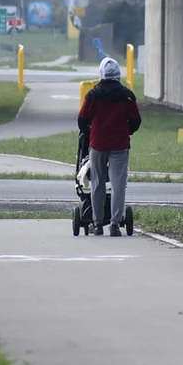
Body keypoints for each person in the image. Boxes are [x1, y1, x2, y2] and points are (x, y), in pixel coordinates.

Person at [77, 56, 142, 236]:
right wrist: (126, 131)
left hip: (98, 144)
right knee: (118, 183)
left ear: (102, 73)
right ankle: (114, 224)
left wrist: (91, 132)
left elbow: (82, 120)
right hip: (120, 145)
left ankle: (97, 224)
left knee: (97, 182)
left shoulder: (93, 94)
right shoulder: (127, 95)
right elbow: (136, 120)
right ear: (118, 74)